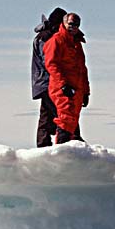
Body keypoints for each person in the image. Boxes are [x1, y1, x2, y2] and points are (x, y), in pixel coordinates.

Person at [43, 12, 90, 144]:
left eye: (76, 25)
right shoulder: (56, 41)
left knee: (73, 119)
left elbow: (82, 69)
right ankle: (61, 151)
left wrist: (86, 91)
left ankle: (69, 150)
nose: (73, 27)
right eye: (70, 24)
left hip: (77, 88)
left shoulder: (76, 44)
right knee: (66, 118)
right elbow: (51, 64)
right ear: (63, 23)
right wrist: (63, 84)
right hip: (62, 88)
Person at [31, 7, 66, 147]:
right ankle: (66, 143)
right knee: (61, 112)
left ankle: (43, 145)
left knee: (46, 115)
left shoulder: (43, 36)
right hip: (47, 82)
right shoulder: (46, 38)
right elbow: (49, 62)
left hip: (42, 82)